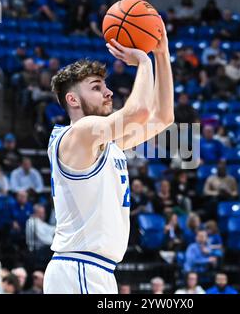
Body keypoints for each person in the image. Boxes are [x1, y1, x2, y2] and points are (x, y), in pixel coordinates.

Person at [43, 21, 174, 294]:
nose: (108, 92)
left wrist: (161, 54)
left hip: (95, 270)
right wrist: (143, 61)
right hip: (78, 267)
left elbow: (162, 117)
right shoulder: (79, 133)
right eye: (96, 87)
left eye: (105, 86)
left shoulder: (104, 141)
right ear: (73, 100)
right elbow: (138, 112)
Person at [25, 204, 55, 268]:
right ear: (36, 213)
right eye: (41, 213)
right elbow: (43, 238)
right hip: (35, 252)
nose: (43, 215)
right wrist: (55, 242)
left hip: (42, 250)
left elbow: (50, 228)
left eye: (43, 213)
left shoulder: (40, 222)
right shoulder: (32, 222)